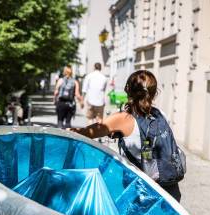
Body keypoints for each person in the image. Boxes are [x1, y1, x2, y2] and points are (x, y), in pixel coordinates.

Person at [70, 70, 184, 202]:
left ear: (128, 91)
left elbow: (86, 133)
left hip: (141, 193)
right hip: (170, 192)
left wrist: (65, 130)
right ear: (154, 93)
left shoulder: (122, 119)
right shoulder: (161, 115)